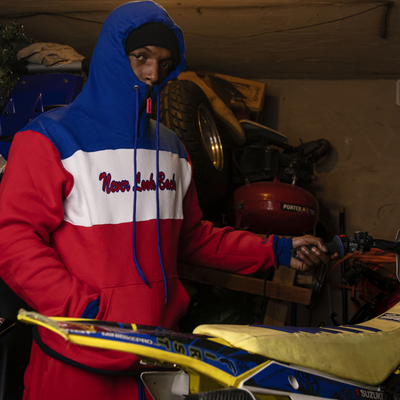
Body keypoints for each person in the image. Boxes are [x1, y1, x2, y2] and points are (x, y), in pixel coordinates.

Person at [0, 1, 336, 399]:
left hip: (157, 361)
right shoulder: (49, 140)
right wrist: (87, 313)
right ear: (112, 55)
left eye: (163, 62)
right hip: (78, 365)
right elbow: (12, 241)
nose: (152, 73)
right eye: (140, 57)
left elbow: (194, 239)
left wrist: (277, 250)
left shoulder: (173, 149)